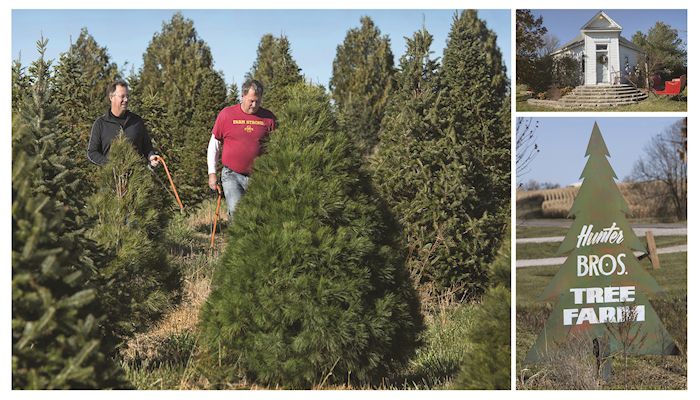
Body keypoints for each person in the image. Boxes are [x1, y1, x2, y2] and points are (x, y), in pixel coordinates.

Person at [207, 79, 276, 216]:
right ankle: (236, 237)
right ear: (243, 96)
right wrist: (212, 173)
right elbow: (214, 145)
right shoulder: (227, 115)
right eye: (251, 100)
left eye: (258, 101)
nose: (254, 104)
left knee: (258, 215)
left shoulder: (269, 118)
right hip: (232, 174)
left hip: (259, 176)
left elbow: (276, 146)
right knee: (237, 211)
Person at [88, 80, 160, 168]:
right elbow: (92, 152)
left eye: (127, 96)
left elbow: (147, 147)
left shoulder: (137, 121)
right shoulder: (100, 124)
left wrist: (151, 156)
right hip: (112, 177)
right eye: (122, 96)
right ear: (111, 97)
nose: (126, 100)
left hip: (136, 177)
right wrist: (110, 164)